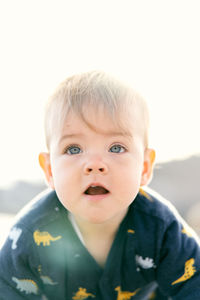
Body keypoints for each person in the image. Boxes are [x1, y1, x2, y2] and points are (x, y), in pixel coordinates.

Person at [0, 71, 200, 300]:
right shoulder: (27, 237)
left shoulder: (161, 228)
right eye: (73, 149)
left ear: (144, 167)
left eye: (116, 147)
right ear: (49, 170)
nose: (95, 165)